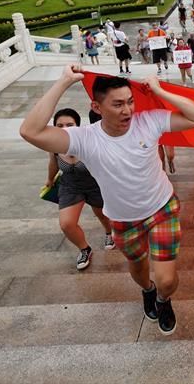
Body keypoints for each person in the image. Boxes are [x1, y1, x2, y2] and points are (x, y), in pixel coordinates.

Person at [20, 67, 194, 336]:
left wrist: (158, 90)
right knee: (140, 270)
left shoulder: (149, 121)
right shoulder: (84, 138)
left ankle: (163, 299)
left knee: (166, 280)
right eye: (118, 104)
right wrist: (63, 81)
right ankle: (147, 291)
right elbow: (30, 131)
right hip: (122, 219)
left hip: (162, 208)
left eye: (130, 101)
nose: (127, 110)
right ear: (96, 106)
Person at [46, 108, 114, 270]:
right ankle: (84, 249)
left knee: (104, 216)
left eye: (70, 124)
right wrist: (49, 179)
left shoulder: (88, 140)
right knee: (66, 224)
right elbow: (53, 163)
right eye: (60, 125)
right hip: (70, 187)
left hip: (94, 185)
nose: (65, 129)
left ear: (78, 126)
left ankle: (109, 233)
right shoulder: (53, 144)